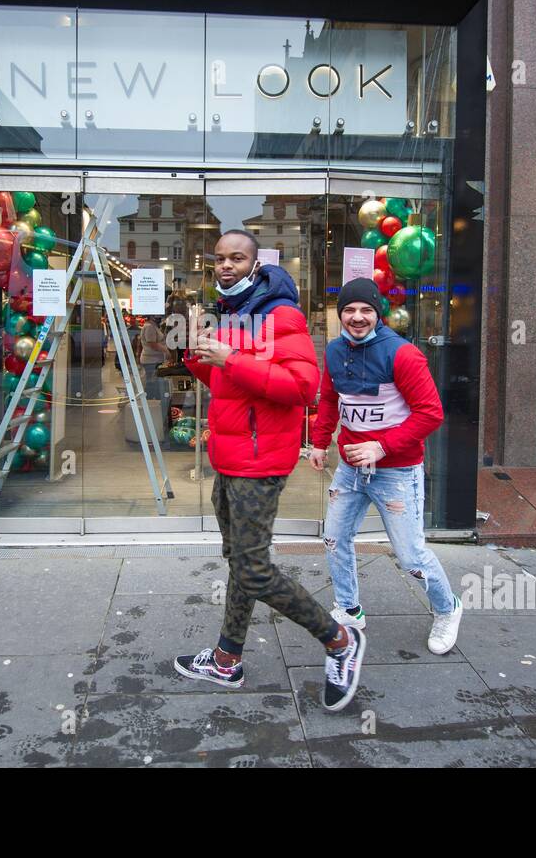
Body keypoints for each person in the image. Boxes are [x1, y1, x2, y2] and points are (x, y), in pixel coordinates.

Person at [174, 231, 366, 712]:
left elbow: (304, 389)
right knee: (241, 561)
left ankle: (339, 639)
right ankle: (226, 659)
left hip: (261, 463)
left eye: (235, 258)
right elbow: (228, 384)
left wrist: (232, 358)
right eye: (218, 259)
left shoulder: (282, 315)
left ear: (255, 265)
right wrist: (198, 357)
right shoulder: (235, 315)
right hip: (231, 458)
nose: (224, 266)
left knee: (254, 569)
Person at [310, 277, 462, 655]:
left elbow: (431, 414)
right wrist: (319, 442)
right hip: (349, 468)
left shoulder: (403, 354)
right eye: (349, 310)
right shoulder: (333, 351)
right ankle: (349, 608)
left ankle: (448, 609)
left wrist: (382, 446)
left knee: (411, 555)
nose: (357, 317)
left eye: (366, 310)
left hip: (396, 471)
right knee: (334, 539)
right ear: (340, 314)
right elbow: (330, 399)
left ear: (378, 314)